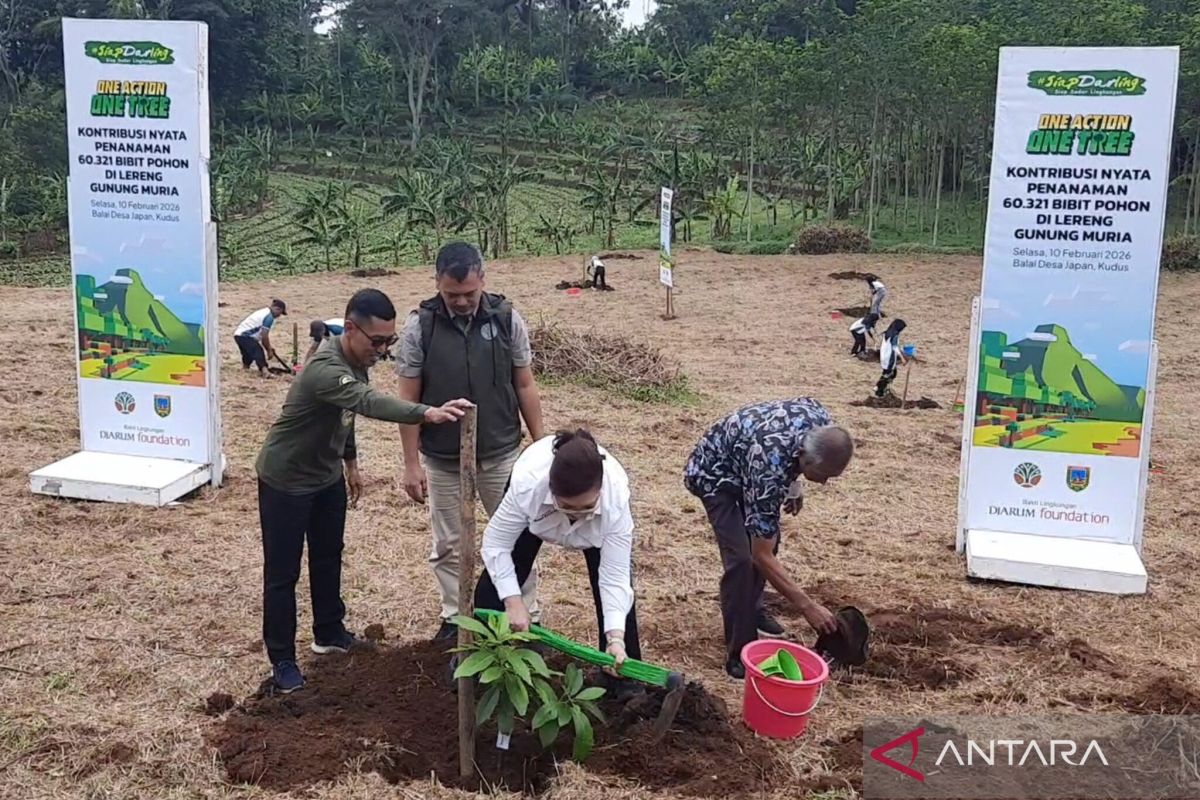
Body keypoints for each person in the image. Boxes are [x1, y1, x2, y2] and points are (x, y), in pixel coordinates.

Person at [255, 288, 471, 694]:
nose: (383, 350)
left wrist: (350, 464)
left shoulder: (358, 359)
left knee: (328, 556)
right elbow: (364, 402)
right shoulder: (325, 367)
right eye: (378, 341)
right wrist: (426, 412)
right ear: (350, 328)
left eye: (389, 341)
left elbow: (345, 415)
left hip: (325, 476)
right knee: (282, 574)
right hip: (285, 481)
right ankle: (282, 659)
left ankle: (330, 632)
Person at [396, 241, 545, 642]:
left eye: (469, 294)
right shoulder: (419, 327)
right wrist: (411, 463)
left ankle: (526, 612)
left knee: (518, 538)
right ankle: (454, 615)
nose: (461, 302)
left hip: (500, 453)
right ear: (437, 284)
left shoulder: (507, 319)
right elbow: (408, 400)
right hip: (443, 457)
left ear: (483, 279)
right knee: (448, 543)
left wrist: (541, 445)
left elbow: (525, 383)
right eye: (451, 295)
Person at [684, 398, 854, 679]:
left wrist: (795, 484)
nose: (823, 483)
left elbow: (798, 432)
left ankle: (753, 608)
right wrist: (807, 606)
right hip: (714, 473)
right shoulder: (769, 470)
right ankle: (740, 651)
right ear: (801, 454)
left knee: (769, 540)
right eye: (821, 475)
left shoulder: (819, 418)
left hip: (750, 458)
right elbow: (759, 555)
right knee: (742, 559)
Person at [477, 429, 640, 682]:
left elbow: (614, 578)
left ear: (600, 491)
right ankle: (481, 662)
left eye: (586, 507)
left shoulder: (615, 501)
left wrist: (615, 637)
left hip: (599, 531)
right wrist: (513, 601)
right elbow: (496, 544)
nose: (576, 515)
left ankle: (621, 677)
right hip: (537, 517)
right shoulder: (528, 485)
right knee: (499, 583)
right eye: (567, 506)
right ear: (552, 491)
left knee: (615, 603)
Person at [234, 299, 286, 375]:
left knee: (248, 353)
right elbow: (264, 336)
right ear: (277, 309)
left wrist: (269, 347)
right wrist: (268, 350)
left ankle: (245, 368)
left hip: (238, 335)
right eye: (280, 313)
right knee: (258, 350)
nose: (279, 316)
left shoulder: (264, 312)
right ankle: (264, 371)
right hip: (245, 335)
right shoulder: (269, 317)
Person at [875, 319, 908, 398]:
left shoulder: (887, 332)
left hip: (884, 356)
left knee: (888, 372)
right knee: (889, 374)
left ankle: (878, 387)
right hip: (889, 358)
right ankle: (880, 391)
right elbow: (895, 347)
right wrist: (902, 358)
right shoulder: (895, 335)